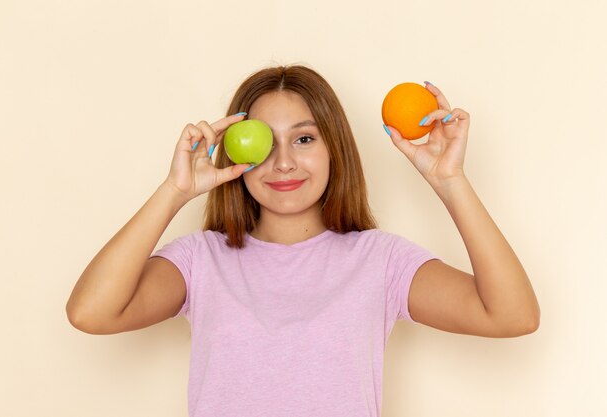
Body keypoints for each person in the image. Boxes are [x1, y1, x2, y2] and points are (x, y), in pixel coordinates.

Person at [66, 64, 540, 416]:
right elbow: (91, 312)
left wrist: (449, 180)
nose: (284, 163)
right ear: (233, 151)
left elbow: (513, 315)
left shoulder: (380, 260)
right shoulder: (200, 260)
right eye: (262, 141)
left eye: (305, 139)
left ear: (334, 147)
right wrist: (175, 191)